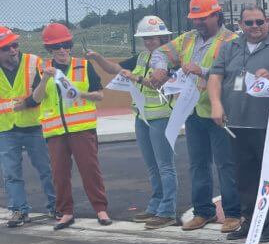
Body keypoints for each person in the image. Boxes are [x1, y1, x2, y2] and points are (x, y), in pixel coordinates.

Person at [150, 0, 241, 233]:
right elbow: (160, 52)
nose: (198, 23)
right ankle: (203, 212)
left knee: (226, 164)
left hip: (220, 111)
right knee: (198, 164)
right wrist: (160, 68)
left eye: (203, 18)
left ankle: (233, 213)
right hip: (192, 112)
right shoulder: (187, 39)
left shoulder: (231, 40)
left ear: (216, 15)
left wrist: (202, 70)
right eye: (195, 19)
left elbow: (235, 72)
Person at [208, 5, 269, 243]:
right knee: (244, 176)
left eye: (260, 22)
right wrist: (216, 104)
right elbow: (215, 76)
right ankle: (250, 220)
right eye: (249, 23)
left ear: (268, 21)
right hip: (237, 123)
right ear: (240, 25)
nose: (255, 27)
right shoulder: (229, 47)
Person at [87, 15, 178, 229]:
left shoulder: (169, 59)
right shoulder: (141, 58)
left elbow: (156, 83)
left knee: (165, 166)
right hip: (143, 118)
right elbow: (113, 69)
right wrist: (98, 57)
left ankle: (167, 210)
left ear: (163, 38)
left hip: (161, 118)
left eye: (153, 38)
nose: (148, 42)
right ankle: (155, 206)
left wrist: (134, 78)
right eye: (145, 38)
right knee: (152, 166)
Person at [30, 23, 111, 230]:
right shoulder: (43, 70)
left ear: (70, 45)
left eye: (66, 45)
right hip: (55, 130)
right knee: (59, 174)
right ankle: (66, 212)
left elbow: (99, 95)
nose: (62, 50)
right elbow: (36, 98)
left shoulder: (83, 66)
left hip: (82, 128)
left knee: (90, 170)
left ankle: (100, 209)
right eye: (57, 47)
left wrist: (81, 94)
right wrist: (44, 79)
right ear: (49, 50)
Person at [0, 26, 55, 226]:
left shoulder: (33, 62)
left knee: (45, 168)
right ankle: (19, 210)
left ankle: (56, 205)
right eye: (7, 48)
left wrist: (27, 103)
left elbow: (43, 90)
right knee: (11, 173)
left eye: (15, 45)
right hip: (6, 128)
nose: (13, 50)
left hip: (33, 125)